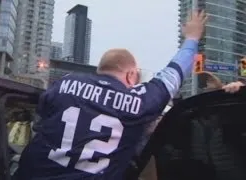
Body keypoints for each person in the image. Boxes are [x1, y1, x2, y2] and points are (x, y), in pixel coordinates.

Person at [14, 10, 208, 180]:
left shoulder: (64, 83)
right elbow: (174, 73)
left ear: (101, 69)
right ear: (131, 74)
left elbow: (41, 121)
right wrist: (192, 38)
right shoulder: (138, 102)